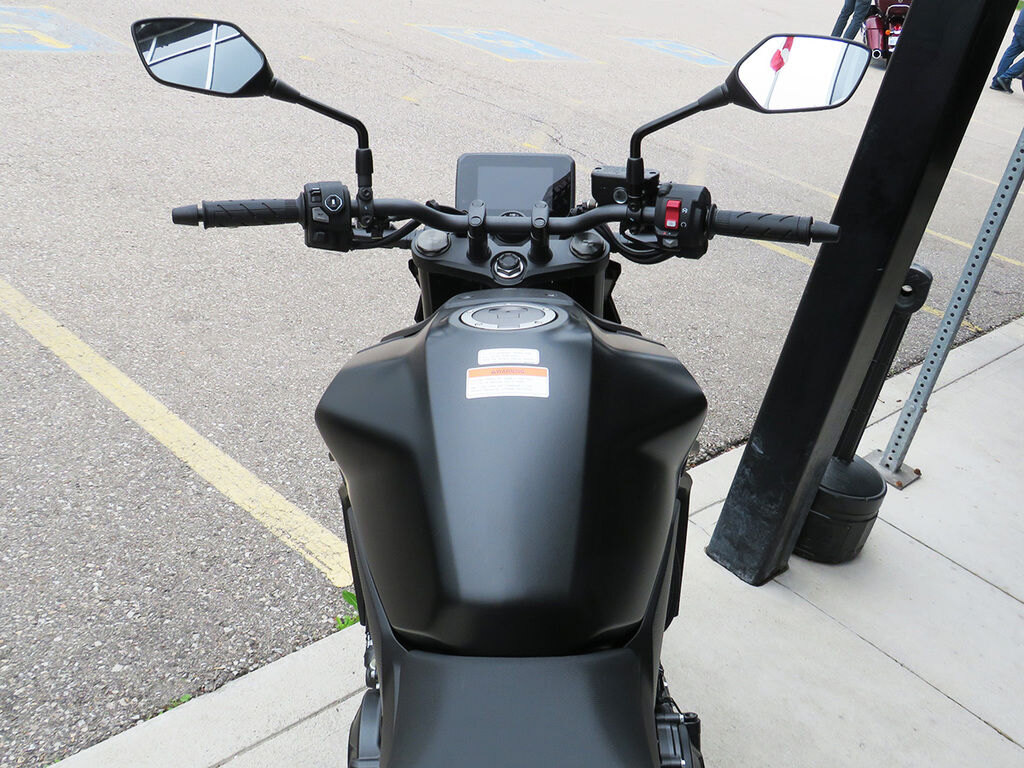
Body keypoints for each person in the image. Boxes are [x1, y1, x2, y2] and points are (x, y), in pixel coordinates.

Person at [991, 10, 1024, 93]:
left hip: (1020, 24)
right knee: (1011, 52)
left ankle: (997, 83)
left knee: (1011, 53)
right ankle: (1006, 77)